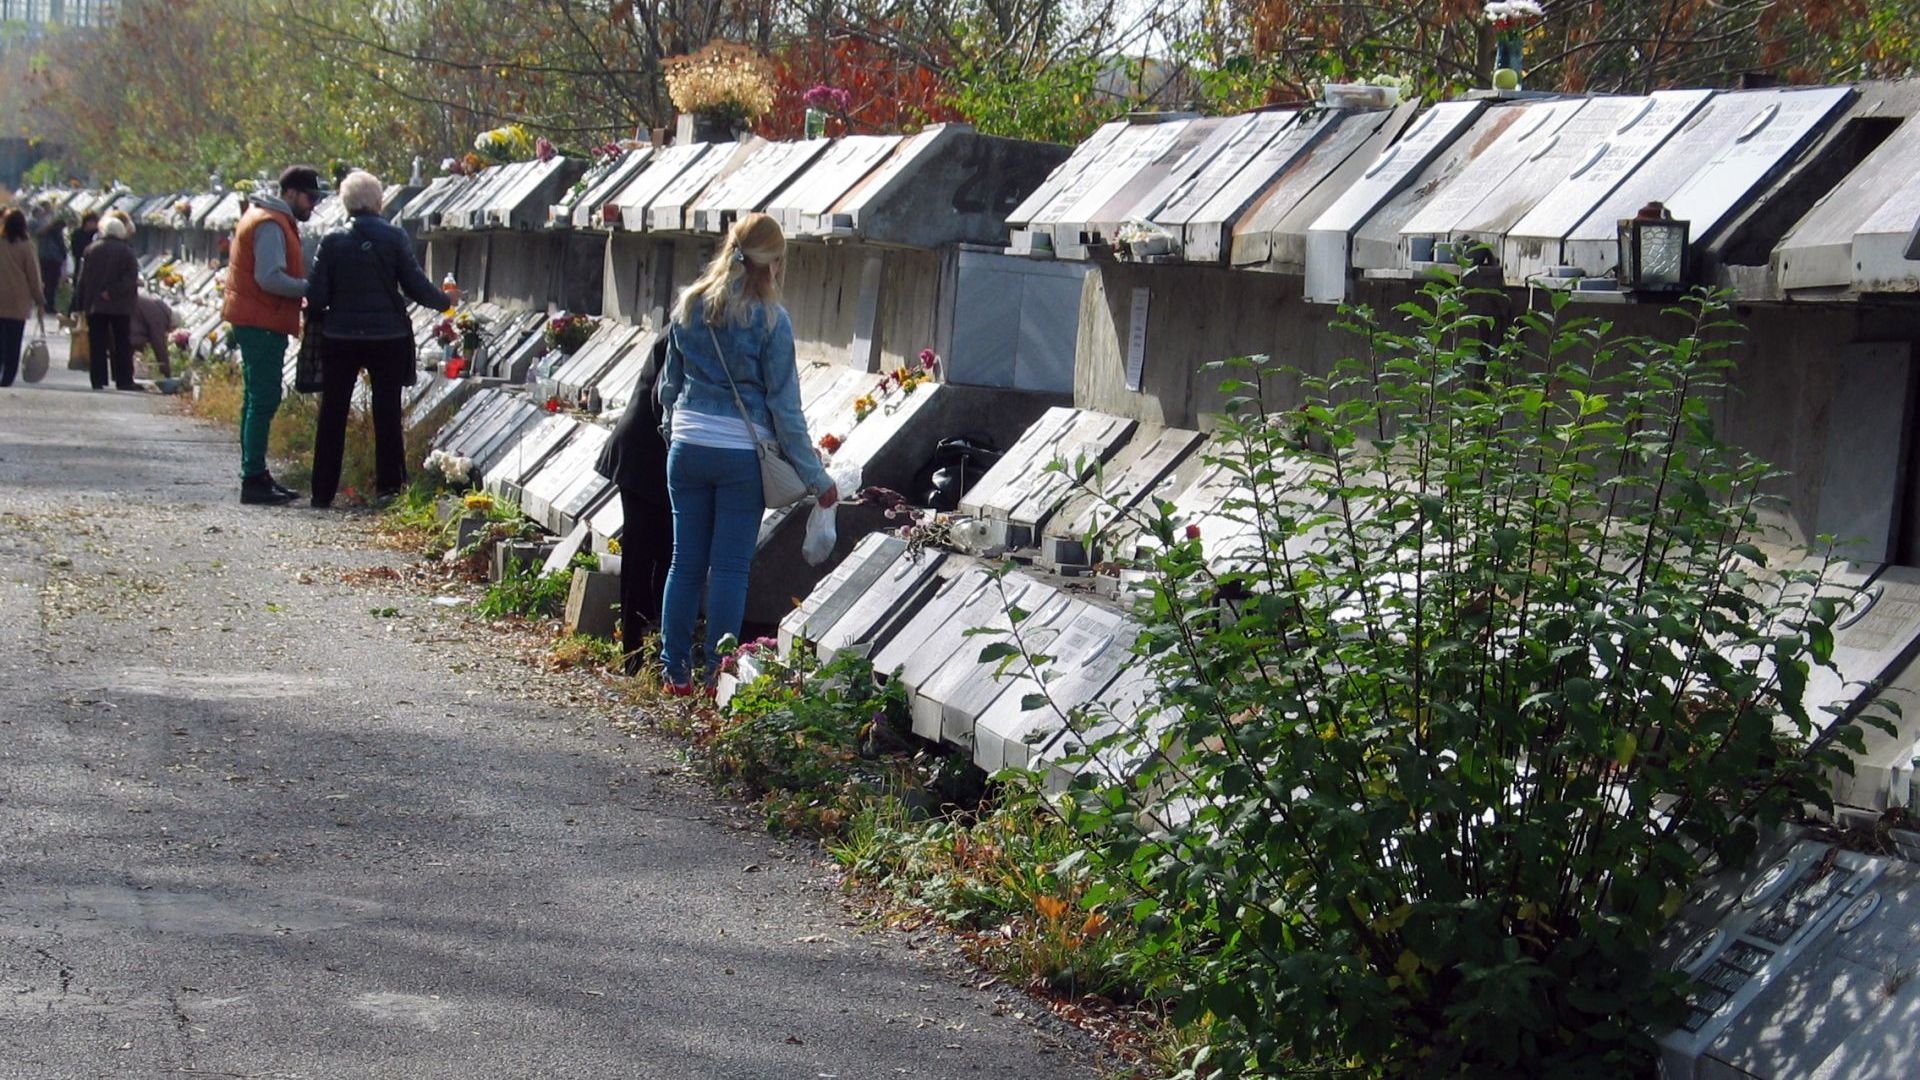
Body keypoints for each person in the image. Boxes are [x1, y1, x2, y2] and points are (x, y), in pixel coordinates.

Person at [656, 212, 836, 693]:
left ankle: (674, 670)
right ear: (773, 262)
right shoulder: (771, 320)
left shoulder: (689, 305)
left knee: (684, 563)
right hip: (740, 454)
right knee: (730, 568)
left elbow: (667, 388)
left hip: (687, 446)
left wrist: (677, 433)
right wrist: (817, 478)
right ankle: (719, 674)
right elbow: (785, 410)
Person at [304, 170, 446, 509]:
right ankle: (389, 489)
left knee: (333, 414)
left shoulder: (332, 240)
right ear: (379, 202)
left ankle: (322, 492)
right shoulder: (394, 238)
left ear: (345, 203)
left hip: (340, 336)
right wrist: (445, 302)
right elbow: (414, 284)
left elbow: (317, 293)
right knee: (387, 413)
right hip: (387, 337)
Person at [223, 165, 322, 506]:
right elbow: (269, 278)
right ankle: (252, 478)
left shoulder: (266, 218)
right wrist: (313, 289)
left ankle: (255, 472)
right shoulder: (270, 224)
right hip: (261, 319)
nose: (312, 205)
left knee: (255, 398)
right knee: (264, 398)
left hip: (257, 318)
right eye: (310, 197)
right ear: (291, 193)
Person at [596, 333, 673, 673]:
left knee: (656, 554)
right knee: (647, 555)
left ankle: (644, 649)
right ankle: (637, 652)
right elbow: (664, 397)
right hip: (646, 454)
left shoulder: (687, 324)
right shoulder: (687, 330)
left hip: (649, 453)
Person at [75, 214, 138, 391]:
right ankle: (123, 379)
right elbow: (130, 278)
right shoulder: (127, 251)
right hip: (120, 305)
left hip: (95, 305)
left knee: (97, 343)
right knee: (122, 343)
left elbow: (82, 279)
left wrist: (78, 304)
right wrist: (113, 292)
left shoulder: (91, 249)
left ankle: (98, 379)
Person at [0, 207, 45, 387]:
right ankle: (7, 378)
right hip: (19, 300)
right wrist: (40, 300)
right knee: (14, 340)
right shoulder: (27, 246)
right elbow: (33, 276)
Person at [128, 289, 175, 379]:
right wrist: (166, 372)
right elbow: (159, 345)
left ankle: (123, 379)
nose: (169, 331)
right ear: (171, 322)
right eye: (172, 328)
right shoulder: (159, 317)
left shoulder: (154, 308)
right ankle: (125, 380)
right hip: (131, 334)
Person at [31, 206, 63, 315]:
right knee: (47, 281)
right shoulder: (33, 222)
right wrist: (51, 225)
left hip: (55, 256)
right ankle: (45, 303)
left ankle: (50, 303)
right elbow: (38, 233)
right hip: (45, 256)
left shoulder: (46, 221)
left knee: (53, 282)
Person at [66, 210, 97, 317]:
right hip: (81, 263)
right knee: (78, 289)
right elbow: (75, 250)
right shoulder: (77, 234)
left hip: (94, 266)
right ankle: (72, 313)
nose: (93, 225)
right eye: (91, 222)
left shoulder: (96, 234)